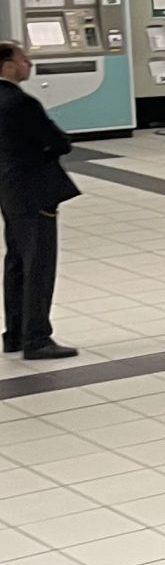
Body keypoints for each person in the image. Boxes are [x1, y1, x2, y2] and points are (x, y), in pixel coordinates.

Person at [0, 41, 80, 361]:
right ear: (7, 65)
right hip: (34, 189)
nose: (29, 64)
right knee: (39, 264)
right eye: (24, 59)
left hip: (8, 188)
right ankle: (37, 337)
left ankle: (15, 333)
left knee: (17, 260)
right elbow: (59, 142)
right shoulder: (21, 102)